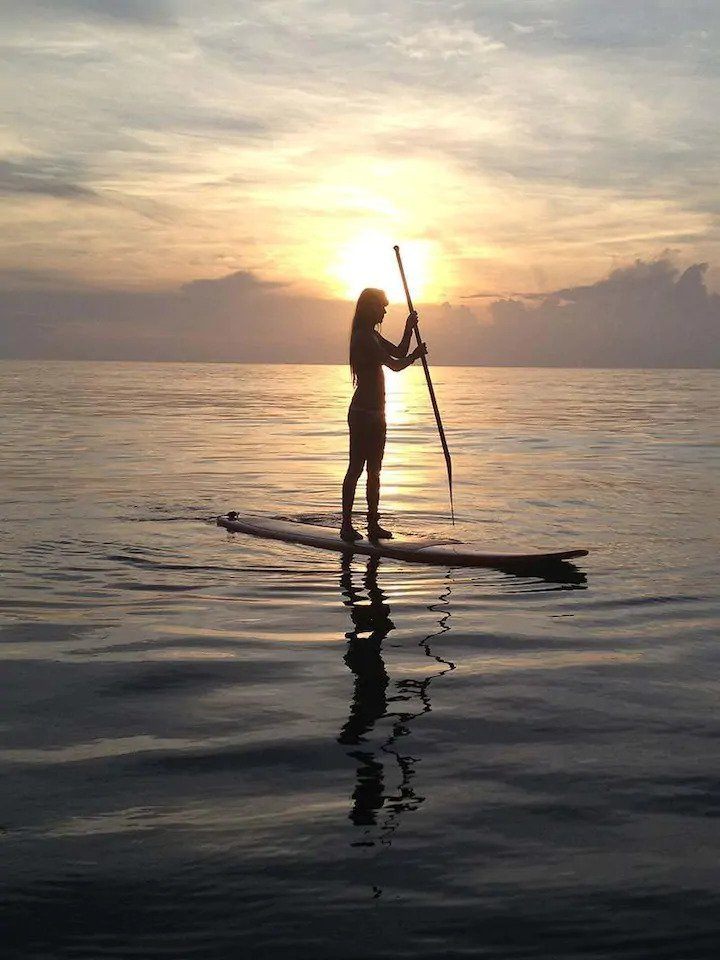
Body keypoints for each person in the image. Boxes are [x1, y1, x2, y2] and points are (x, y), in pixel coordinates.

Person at [341, 287, 427, 542]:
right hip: (362, 414)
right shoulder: (363, 338)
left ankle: (372, 524)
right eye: (382, 306)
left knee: (375, 472)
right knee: (356, 468)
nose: (385, 311)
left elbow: (398, 352)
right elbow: (396, 364)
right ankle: (346, 525)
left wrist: (409, 329)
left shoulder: (373, 336)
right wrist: (415, 356)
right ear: (371, 308)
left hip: (377, 414)